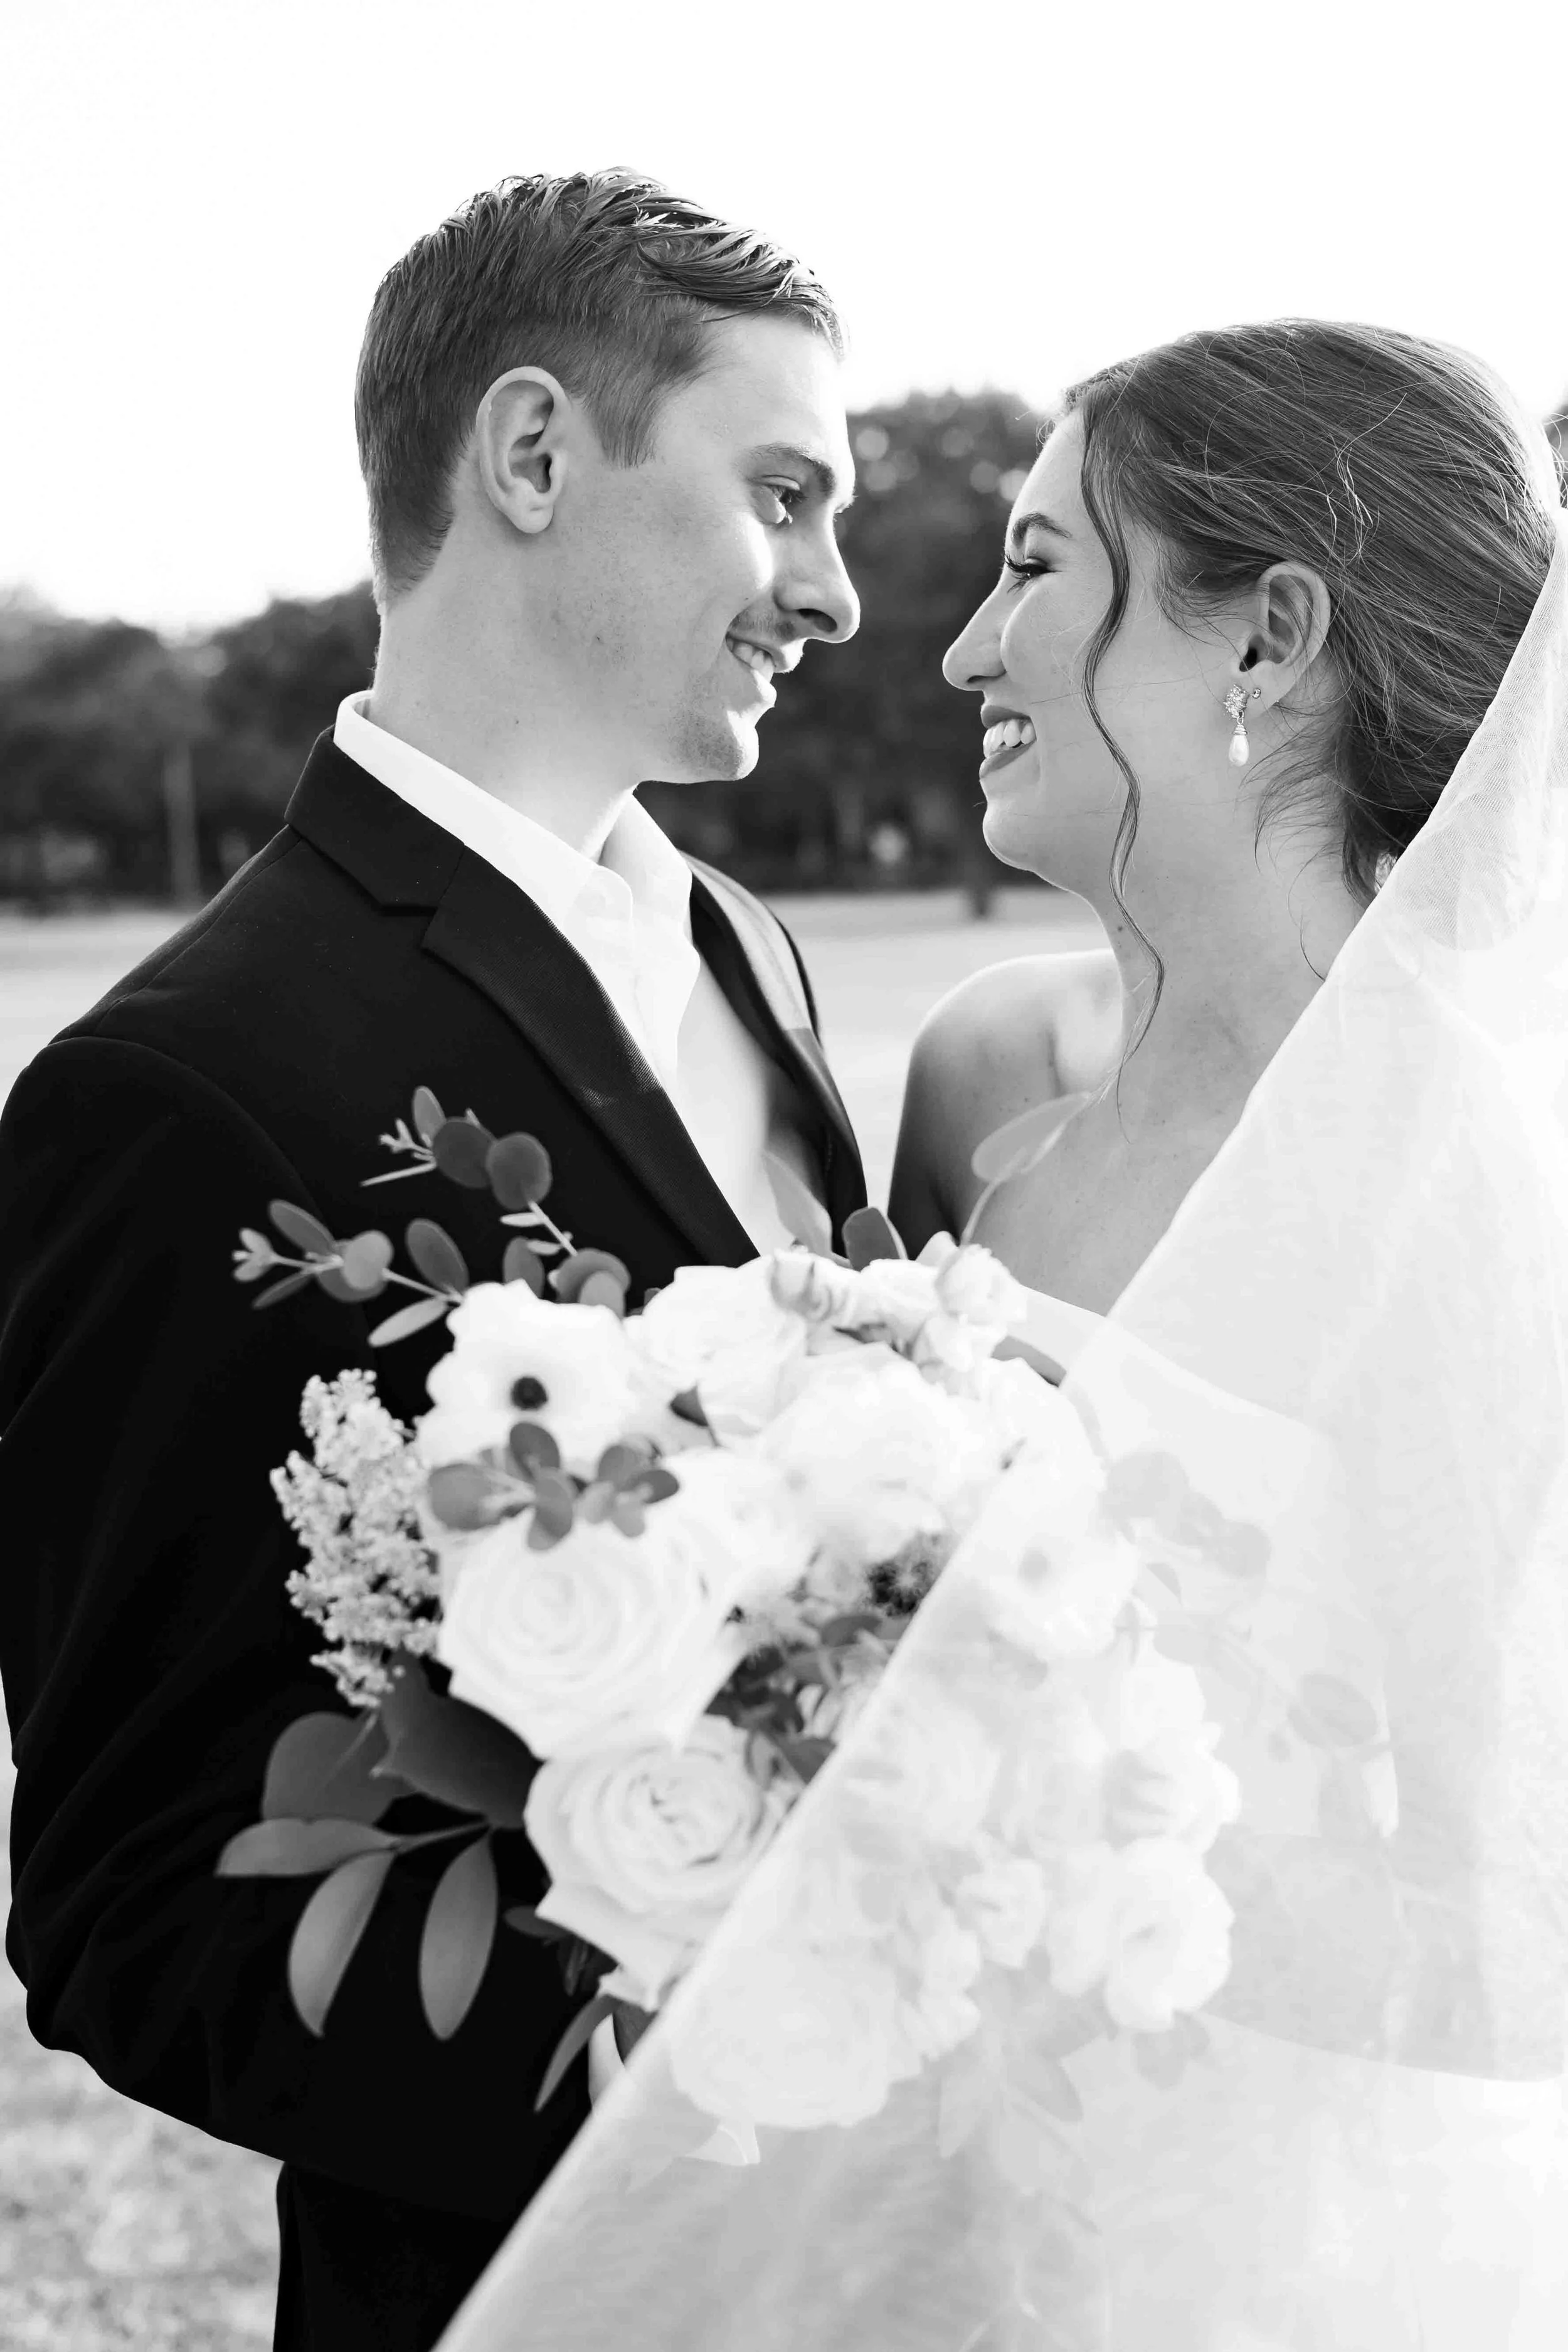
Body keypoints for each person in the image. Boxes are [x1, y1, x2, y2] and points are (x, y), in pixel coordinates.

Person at [429, 322, 1568, 2349]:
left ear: (1263, 639)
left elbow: (1513, 1938)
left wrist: (1049, 1858)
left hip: (1259, 2248)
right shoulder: (988, 1089)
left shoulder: (1465, 1187)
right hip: (936, 2208)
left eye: (1036, 566)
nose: (958, 649)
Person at [0, 169, 864, 2352]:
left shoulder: (750, 955)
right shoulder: (181, 1088)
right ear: (536, 455)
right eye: (782, 494)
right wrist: (705, 2065)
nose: (835, 592)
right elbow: (127, 1903)